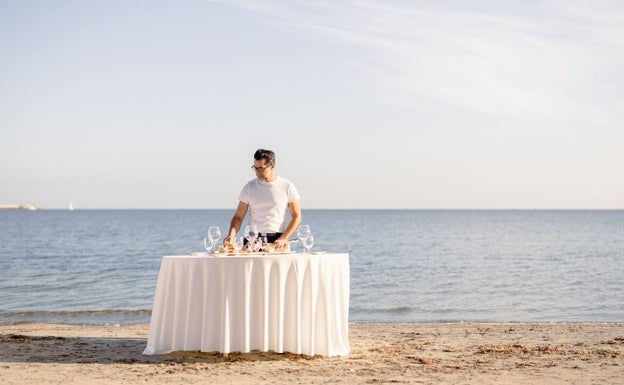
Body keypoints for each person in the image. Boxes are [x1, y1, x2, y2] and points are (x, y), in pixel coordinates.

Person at [223, 148, 301, 250]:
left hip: (278, 240)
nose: (258, 172)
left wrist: (284, 238)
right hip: (252, 239)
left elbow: (297, 216)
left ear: (272, 166)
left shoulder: (287, 186)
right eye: (255, 168)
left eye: (262, 168)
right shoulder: (249, 187)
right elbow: (238, 217)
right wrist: (231, 235)